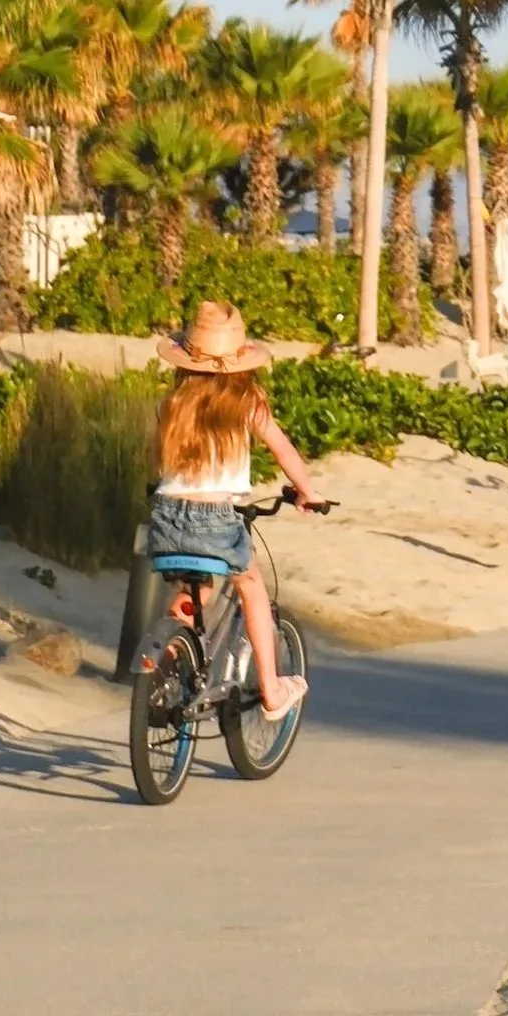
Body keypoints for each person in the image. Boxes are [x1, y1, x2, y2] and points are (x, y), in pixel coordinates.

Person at [151, 301, 321, 720]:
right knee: (251, 586)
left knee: (195, 587)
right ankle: (271, 689)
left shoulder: (172, 402)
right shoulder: (248, 401)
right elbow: (284, 452)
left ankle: (165, 667)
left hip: (166, 516)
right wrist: (308, 492)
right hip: (216, 520)